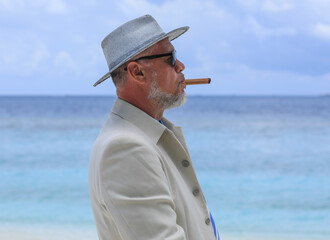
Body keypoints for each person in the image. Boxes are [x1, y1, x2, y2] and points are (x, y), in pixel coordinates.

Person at [89, 15, 220, 240]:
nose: (181, 66)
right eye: (171, 58)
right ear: (137, 72)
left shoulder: (146, 134)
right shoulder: (125, 147)